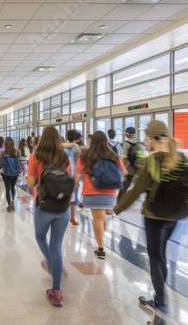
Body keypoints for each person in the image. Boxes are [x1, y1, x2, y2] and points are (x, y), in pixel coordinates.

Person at [114, 121, 186, 323]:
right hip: (175, 217)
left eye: (147, 138)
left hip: (154, 217)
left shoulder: (152, 161)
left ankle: (160, 302)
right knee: (161, 255)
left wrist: (118, 208)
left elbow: (135, 190)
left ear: (153, 139)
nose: (146, 141)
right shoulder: (180, 157)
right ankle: (161, 296)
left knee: (156, 257)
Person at [27, 127, 72, 307]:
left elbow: (30, 183)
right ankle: (57, 292)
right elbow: (68, 180)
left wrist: (39, 179)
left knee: (39, 237)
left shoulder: (35, 156)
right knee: (56, 245)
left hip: (44, 205)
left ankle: (53, 266)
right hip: (63, 207)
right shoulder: (65, 157)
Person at [75, 131, 126, 259]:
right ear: (105, 141)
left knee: (98, 218)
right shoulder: (113, 154)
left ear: (92, 141)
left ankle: (101, 248)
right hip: (110, 191)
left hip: (92, 191)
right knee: (102, 217)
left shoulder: (86, 154)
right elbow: (124, 171)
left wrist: (73, 186)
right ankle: (100, 238)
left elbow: (78, 173)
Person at [117, 127, 146, 201]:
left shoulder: (126, 143)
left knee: (125, 185)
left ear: (129, 134)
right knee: (137, 185)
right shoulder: (140, 142)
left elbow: (124, 156)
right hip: (139, 166)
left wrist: (122, 166)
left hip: (129, 168)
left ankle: (119, 200)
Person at [0, 137, 22, 212]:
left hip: (6, 173)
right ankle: (12, 201)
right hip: (15, 173)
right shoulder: (17, 151)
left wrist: (2, 166)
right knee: (13, 187)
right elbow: (19, 161)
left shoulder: (3, 152)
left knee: (7, 189)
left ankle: (8, 205)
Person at [64, 130, 82, 226]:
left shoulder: (63, 148)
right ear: (77, 139)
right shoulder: (76, 148)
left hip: (63, 174)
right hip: (74, 175)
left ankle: (64, 216)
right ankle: (72, 218)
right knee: (73, 198)